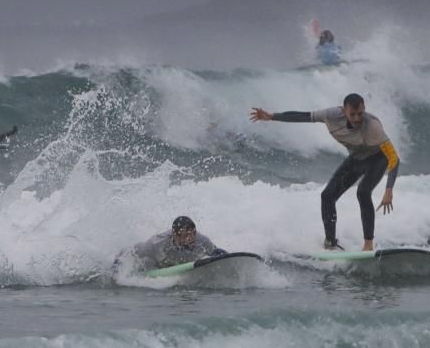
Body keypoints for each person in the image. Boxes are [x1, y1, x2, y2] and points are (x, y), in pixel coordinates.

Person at [249, 93, 399, 251]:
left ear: (364, 110)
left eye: (360, 113)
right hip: (356, 158)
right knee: (327, 196)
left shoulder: (373, 126)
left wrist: (389, 190)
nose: (356, 118)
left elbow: (394, 158)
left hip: (378, 159)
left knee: (363, 192)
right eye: (352, 114)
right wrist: (272, 116)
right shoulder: (331, 116)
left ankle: (368, 244)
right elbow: (303, 116)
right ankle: (330, 242)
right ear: (343, 111)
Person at [129, 216, 226, 270]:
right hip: (159, 263)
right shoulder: (158, 243)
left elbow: (215, 254)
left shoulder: (202, 240)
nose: (190, 238)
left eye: (192, 233)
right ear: (174, 235)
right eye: (185, 236)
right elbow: (135, 252)